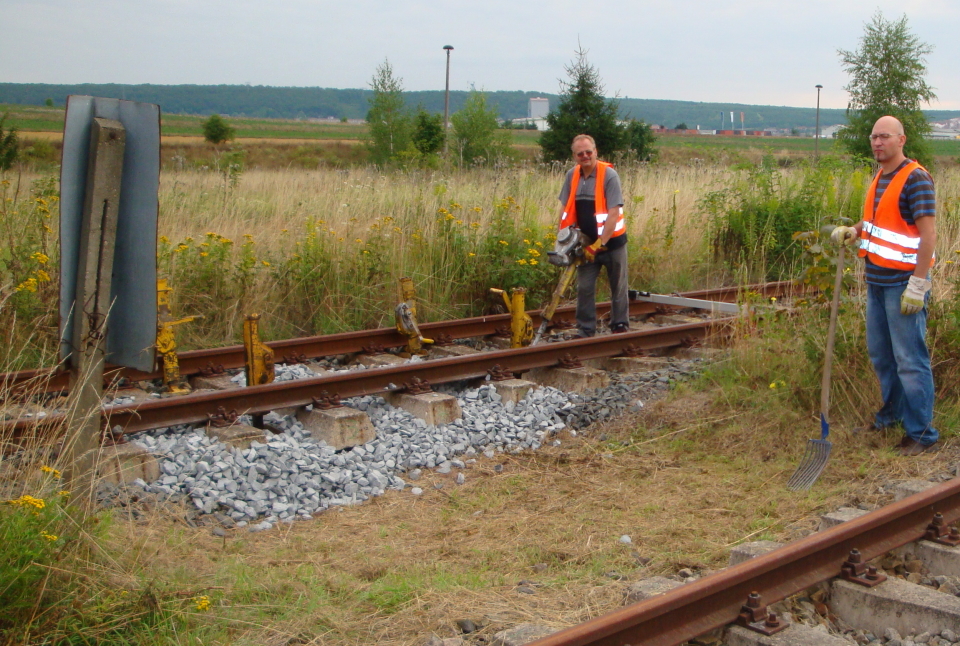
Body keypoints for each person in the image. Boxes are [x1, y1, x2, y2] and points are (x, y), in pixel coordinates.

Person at [831, 115, 939, 456]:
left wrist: (918, 285)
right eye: (874, 137)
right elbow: (881, 222)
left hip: (902, 284)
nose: (878, 143)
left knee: (909, 359)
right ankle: (891, 416)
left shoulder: (915, 179)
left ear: (901, 140)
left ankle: (921, 433)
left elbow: (929, 235)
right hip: (876, 281)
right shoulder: (881, 176)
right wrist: (856, 229)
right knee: (882, 356)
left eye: (885, 137)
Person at [556, 134, 629, 337]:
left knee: (618, 286)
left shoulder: (609, 175)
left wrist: (599, 244)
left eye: (589, 152)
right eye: (580, 153)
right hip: (585, 243)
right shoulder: (572, 175)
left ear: (596, 152)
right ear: (574, 156)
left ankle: (620, 325)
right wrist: (563, 239)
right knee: (585, 287)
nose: (585, 156)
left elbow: (613, 213)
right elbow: (565, 208)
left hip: (613, 243)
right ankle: (586, 329)